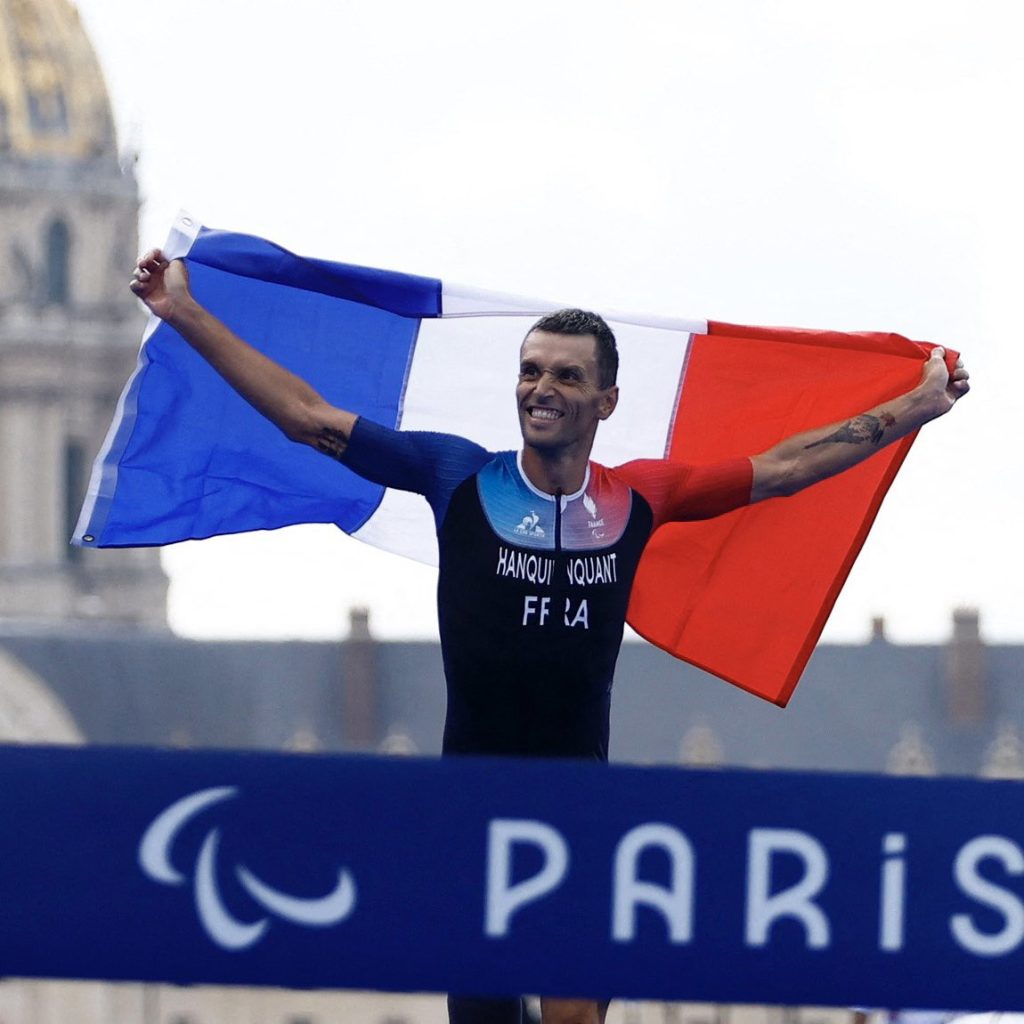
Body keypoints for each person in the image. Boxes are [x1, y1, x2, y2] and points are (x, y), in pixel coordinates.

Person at [130, 250, 969, 1024]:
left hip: (581, 812)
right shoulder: (456, 477)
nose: (542, 387)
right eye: (530, 371)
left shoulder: (638, 499)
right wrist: (185, 313)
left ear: (605, 402)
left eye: (567, 376)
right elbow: (305, 416)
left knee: (573, 1018)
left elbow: (785, 468)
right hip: (473, 817)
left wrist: (916, 405)